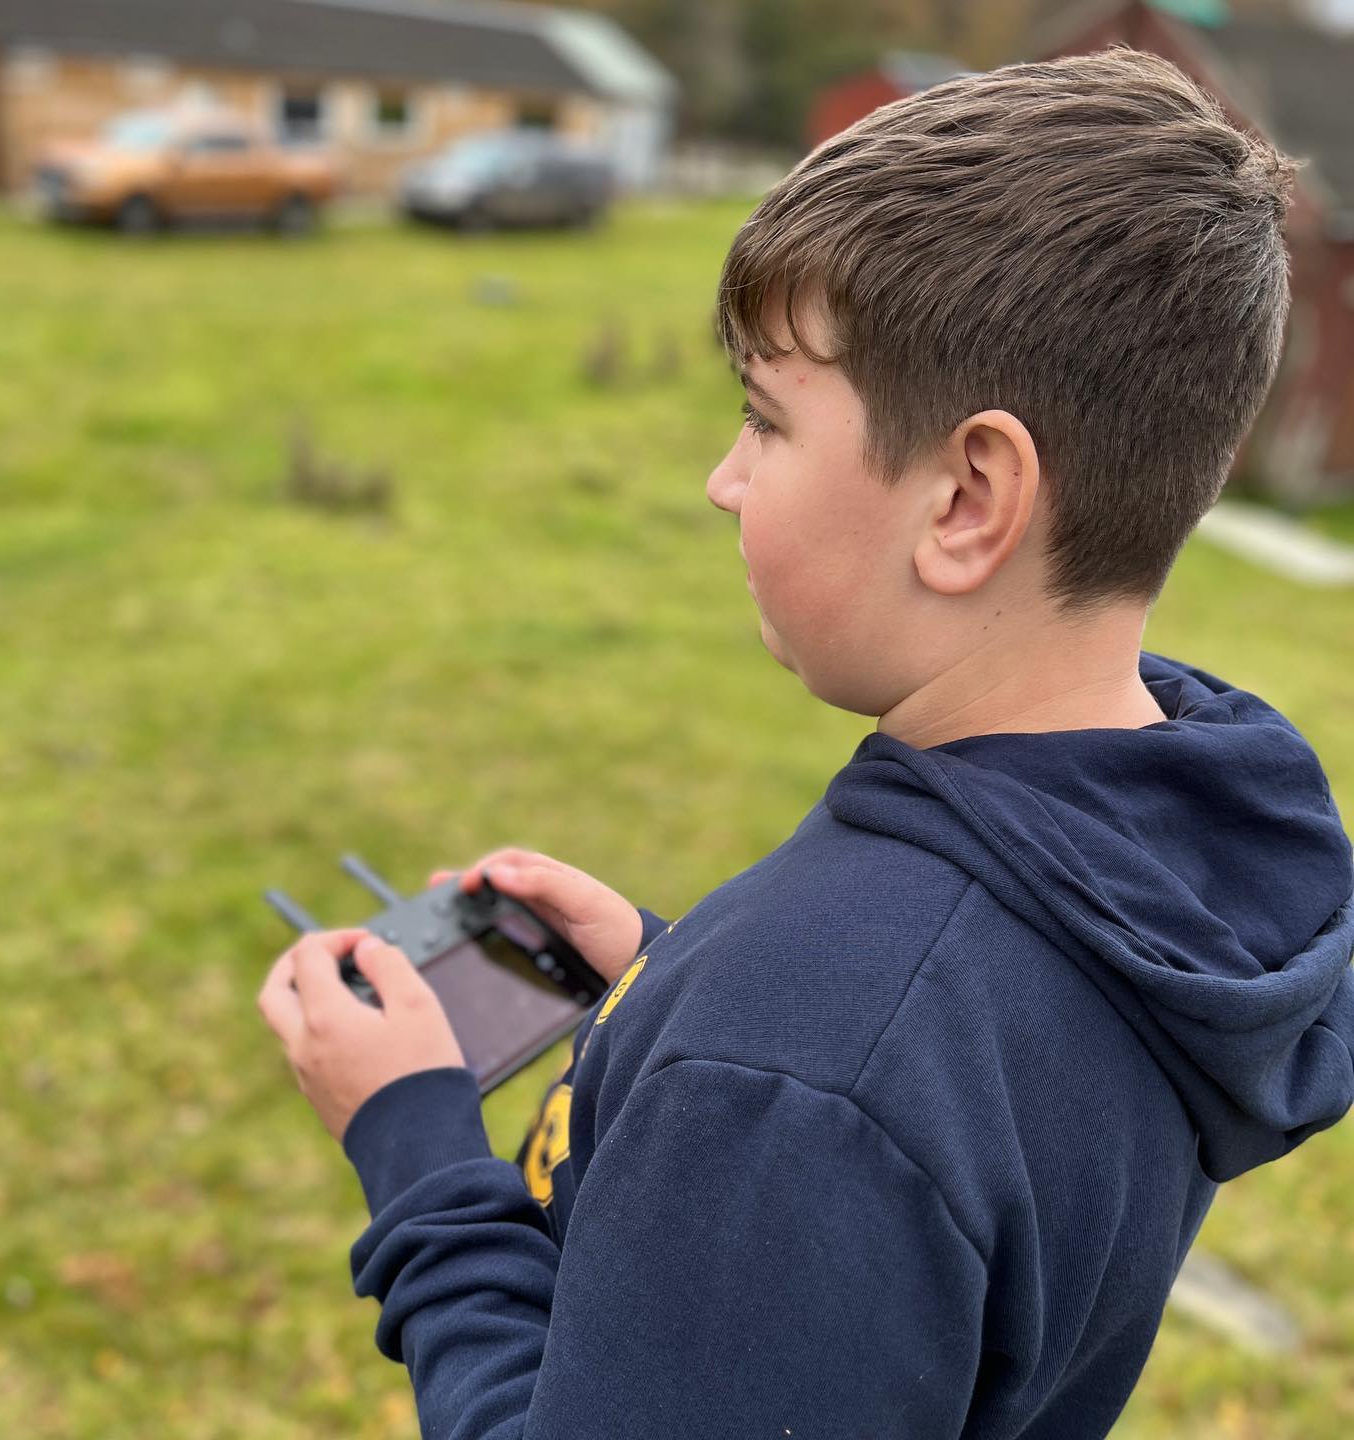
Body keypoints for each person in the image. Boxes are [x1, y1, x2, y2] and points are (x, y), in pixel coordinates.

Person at [256, 47, 1354, 1438]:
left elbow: (848, 1076)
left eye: (765, 419)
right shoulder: (1158, 867)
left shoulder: (804, 1070)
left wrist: (415, 1143)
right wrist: (670, 980)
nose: (722, 482)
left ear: (967, 498)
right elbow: (957, 1076)